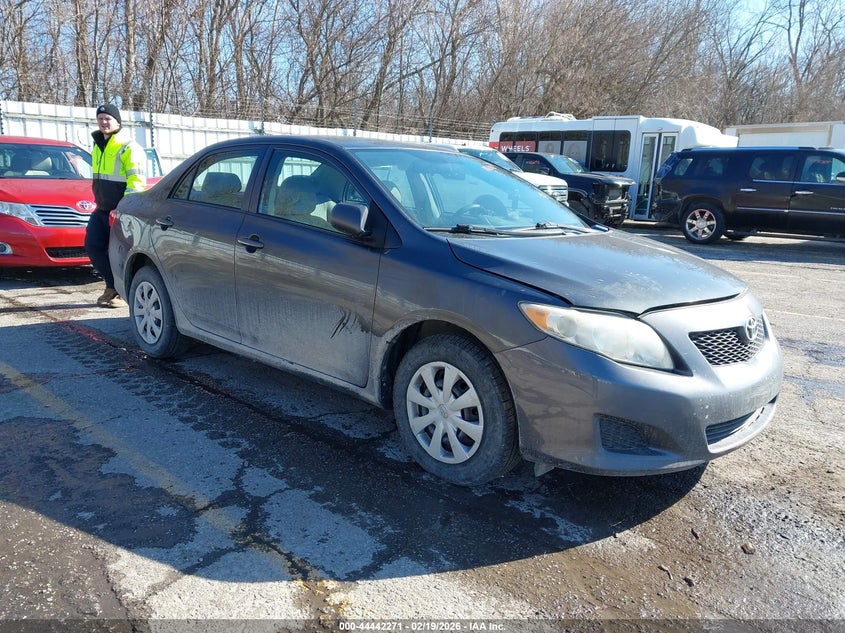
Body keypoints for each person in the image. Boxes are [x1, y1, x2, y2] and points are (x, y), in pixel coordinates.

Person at [85, 103, 146, 307]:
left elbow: (136, 182)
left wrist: (122, 207)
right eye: (100, 118)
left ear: (117, 121)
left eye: (107, 118)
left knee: (121, 253)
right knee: (93, 246)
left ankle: (122, 293)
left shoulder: (128, 147)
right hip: (102, 209)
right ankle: (111, 286)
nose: (103, 122)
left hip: (121, 211)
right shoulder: (97, 145)